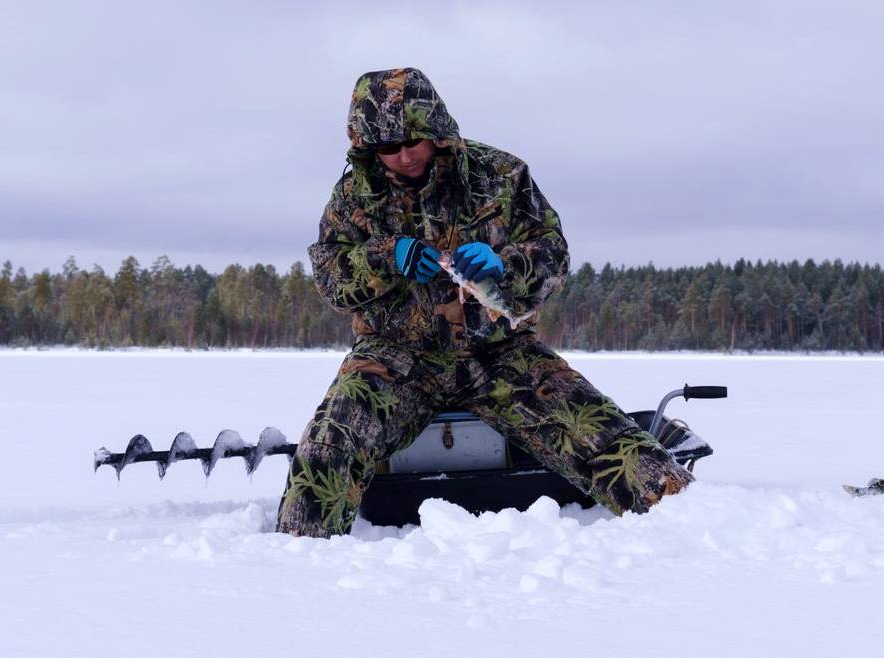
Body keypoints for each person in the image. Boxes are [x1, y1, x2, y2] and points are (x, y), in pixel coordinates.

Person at [275, 68, 692, 537]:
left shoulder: (501, 175)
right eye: (388, 148)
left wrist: (506, 263)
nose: (405, 156)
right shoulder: (354, 194)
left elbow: (553, 255)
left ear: (436, 129)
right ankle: (299, 568)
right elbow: (330, 278)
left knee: (606, 436)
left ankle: (696, 532)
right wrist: (384, 257)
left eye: (415, 140)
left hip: (501, 353)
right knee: (328, 446)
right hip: (393, 358)